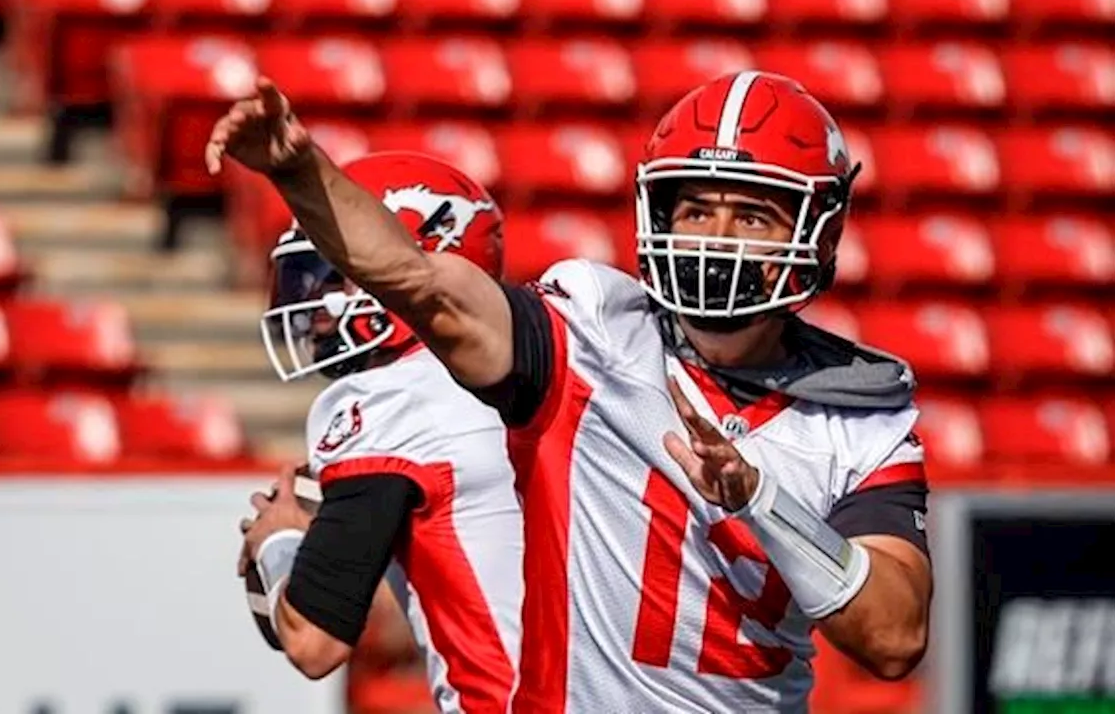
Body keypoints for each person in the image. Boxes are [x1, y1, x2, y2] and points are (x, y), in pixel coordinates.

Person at [210, 71, 933, 713]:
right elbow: (423, 284)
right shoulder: (596, 331)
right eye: (695, 210)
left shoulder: (860, 413)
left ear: (821, 228)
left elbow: (894, 636)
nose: (715, 238)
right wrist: (301, 172)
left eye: (751, 215)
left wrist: (761, 502)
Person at [236, 151, 525, 714]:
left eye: (340, 274)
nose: (317, 308)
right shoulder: (548, 366)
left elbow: (312, 642)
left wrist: (278, 541)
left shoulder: (393, 401)